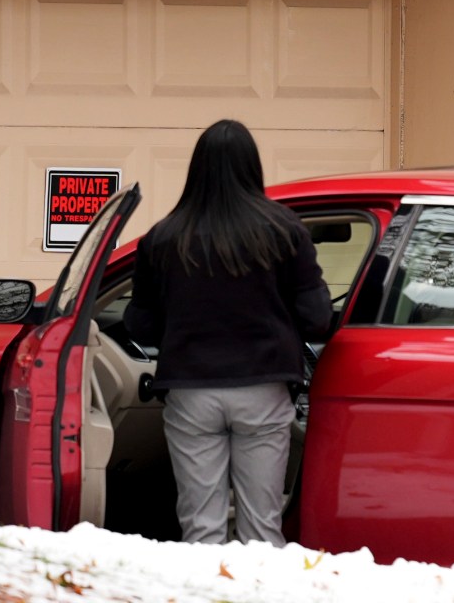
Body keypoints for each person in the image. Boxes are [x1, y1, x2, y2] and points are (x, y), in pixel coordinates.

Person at [124, 118, 334, 545]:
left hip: (191, 393)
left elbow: (140, 325)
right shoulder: (284, 231)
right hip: (263, 390)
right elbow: (317, 318)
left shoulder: (163, 238)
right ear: (252, 167)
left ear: (196, 170)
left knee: (201, 528)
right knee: (261, 528)